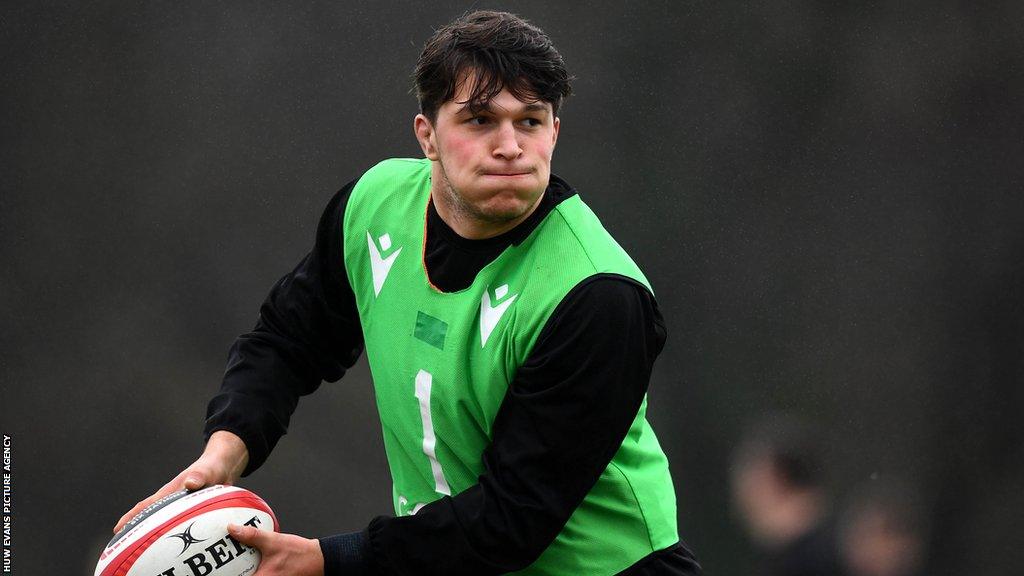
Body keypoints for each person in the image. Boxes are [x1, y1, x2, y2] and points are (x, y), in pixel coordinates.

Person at [114, 10, 700, 576]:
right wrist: (223, 455)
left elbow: (512, 520)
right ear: (428, 135)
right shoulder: (374, 207)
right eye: (479, 120)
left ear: (555, 131)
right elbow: (289, 339)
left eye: (530, 120)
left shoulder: (598, 296)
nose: (510, 145)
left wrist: (330, 560)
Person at [730, 416, 844, 576]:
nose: (741, 493)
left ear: (776, 478)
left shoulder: (811, 562)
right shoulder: (834, 550)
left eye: (749, 476)